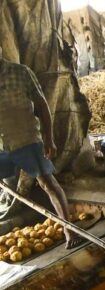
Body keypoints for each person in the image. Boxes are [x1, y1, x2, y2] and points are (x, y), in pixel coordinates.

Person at [0, 54, 81, 248]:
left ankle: (69, 230)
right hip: (2, 147)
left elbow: (42, 105)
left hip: (26, 140)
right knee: (7, 189)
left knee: (48, 183)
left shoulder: (20, 72)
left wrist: (49, 139)